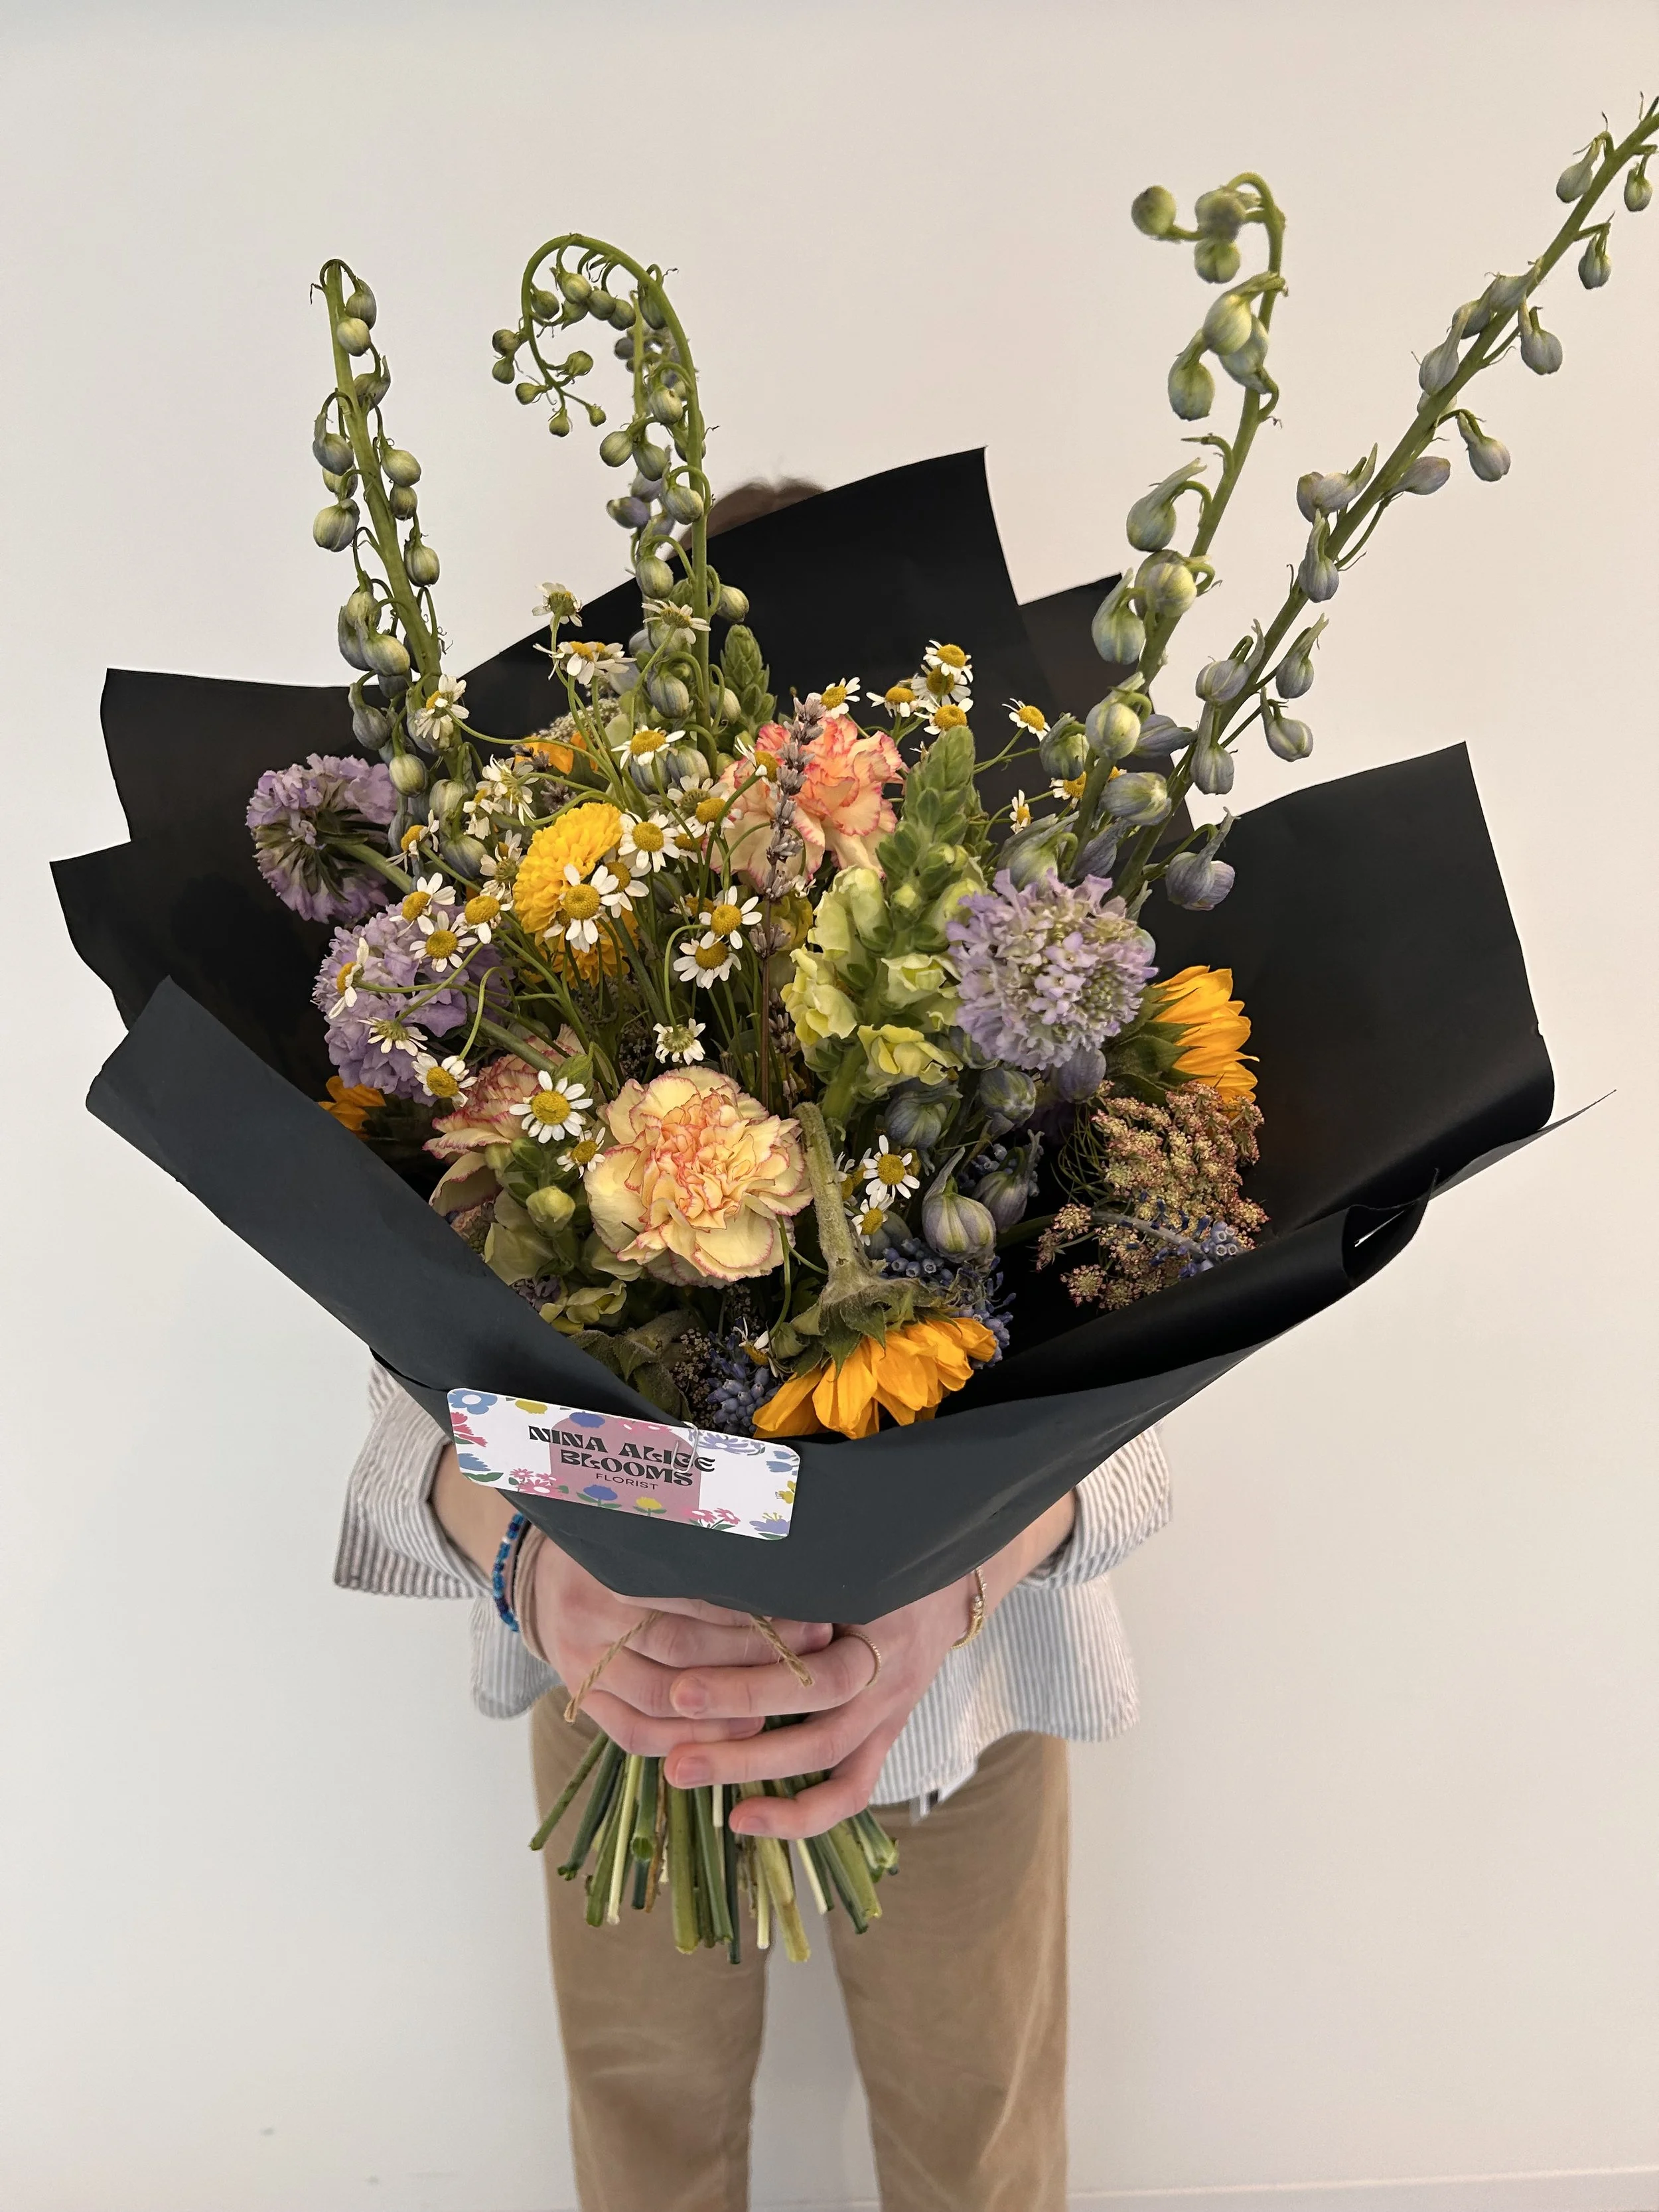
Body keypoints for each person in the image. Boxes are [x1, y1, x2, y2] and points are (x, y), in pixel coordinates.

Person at [332, 482, 1173, 2212]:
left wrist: (938, 1585)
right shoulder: (545, 1011)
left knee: (981, 2134)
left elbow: (1129, 1421)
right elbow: (421, 1411)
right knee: (641, 2125)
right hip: (622, 1685)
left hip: (961, 1698)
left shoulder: (1016, 1002)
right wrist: (553, 1586)